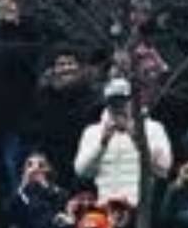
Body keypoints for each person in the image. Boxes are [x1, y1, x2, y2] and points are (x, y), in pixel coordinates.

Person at [72, 76, 171, 207]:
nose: (118, 107)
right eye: (113, 102)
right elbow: (82, 172)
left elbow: (163, 169)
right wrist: (102, 143)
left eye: (123, 101)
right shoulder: (92, 132)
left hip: (142, 208)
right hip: (106, 207)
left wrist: (136, 138)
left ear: (133, 101)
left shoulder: (153, 128)